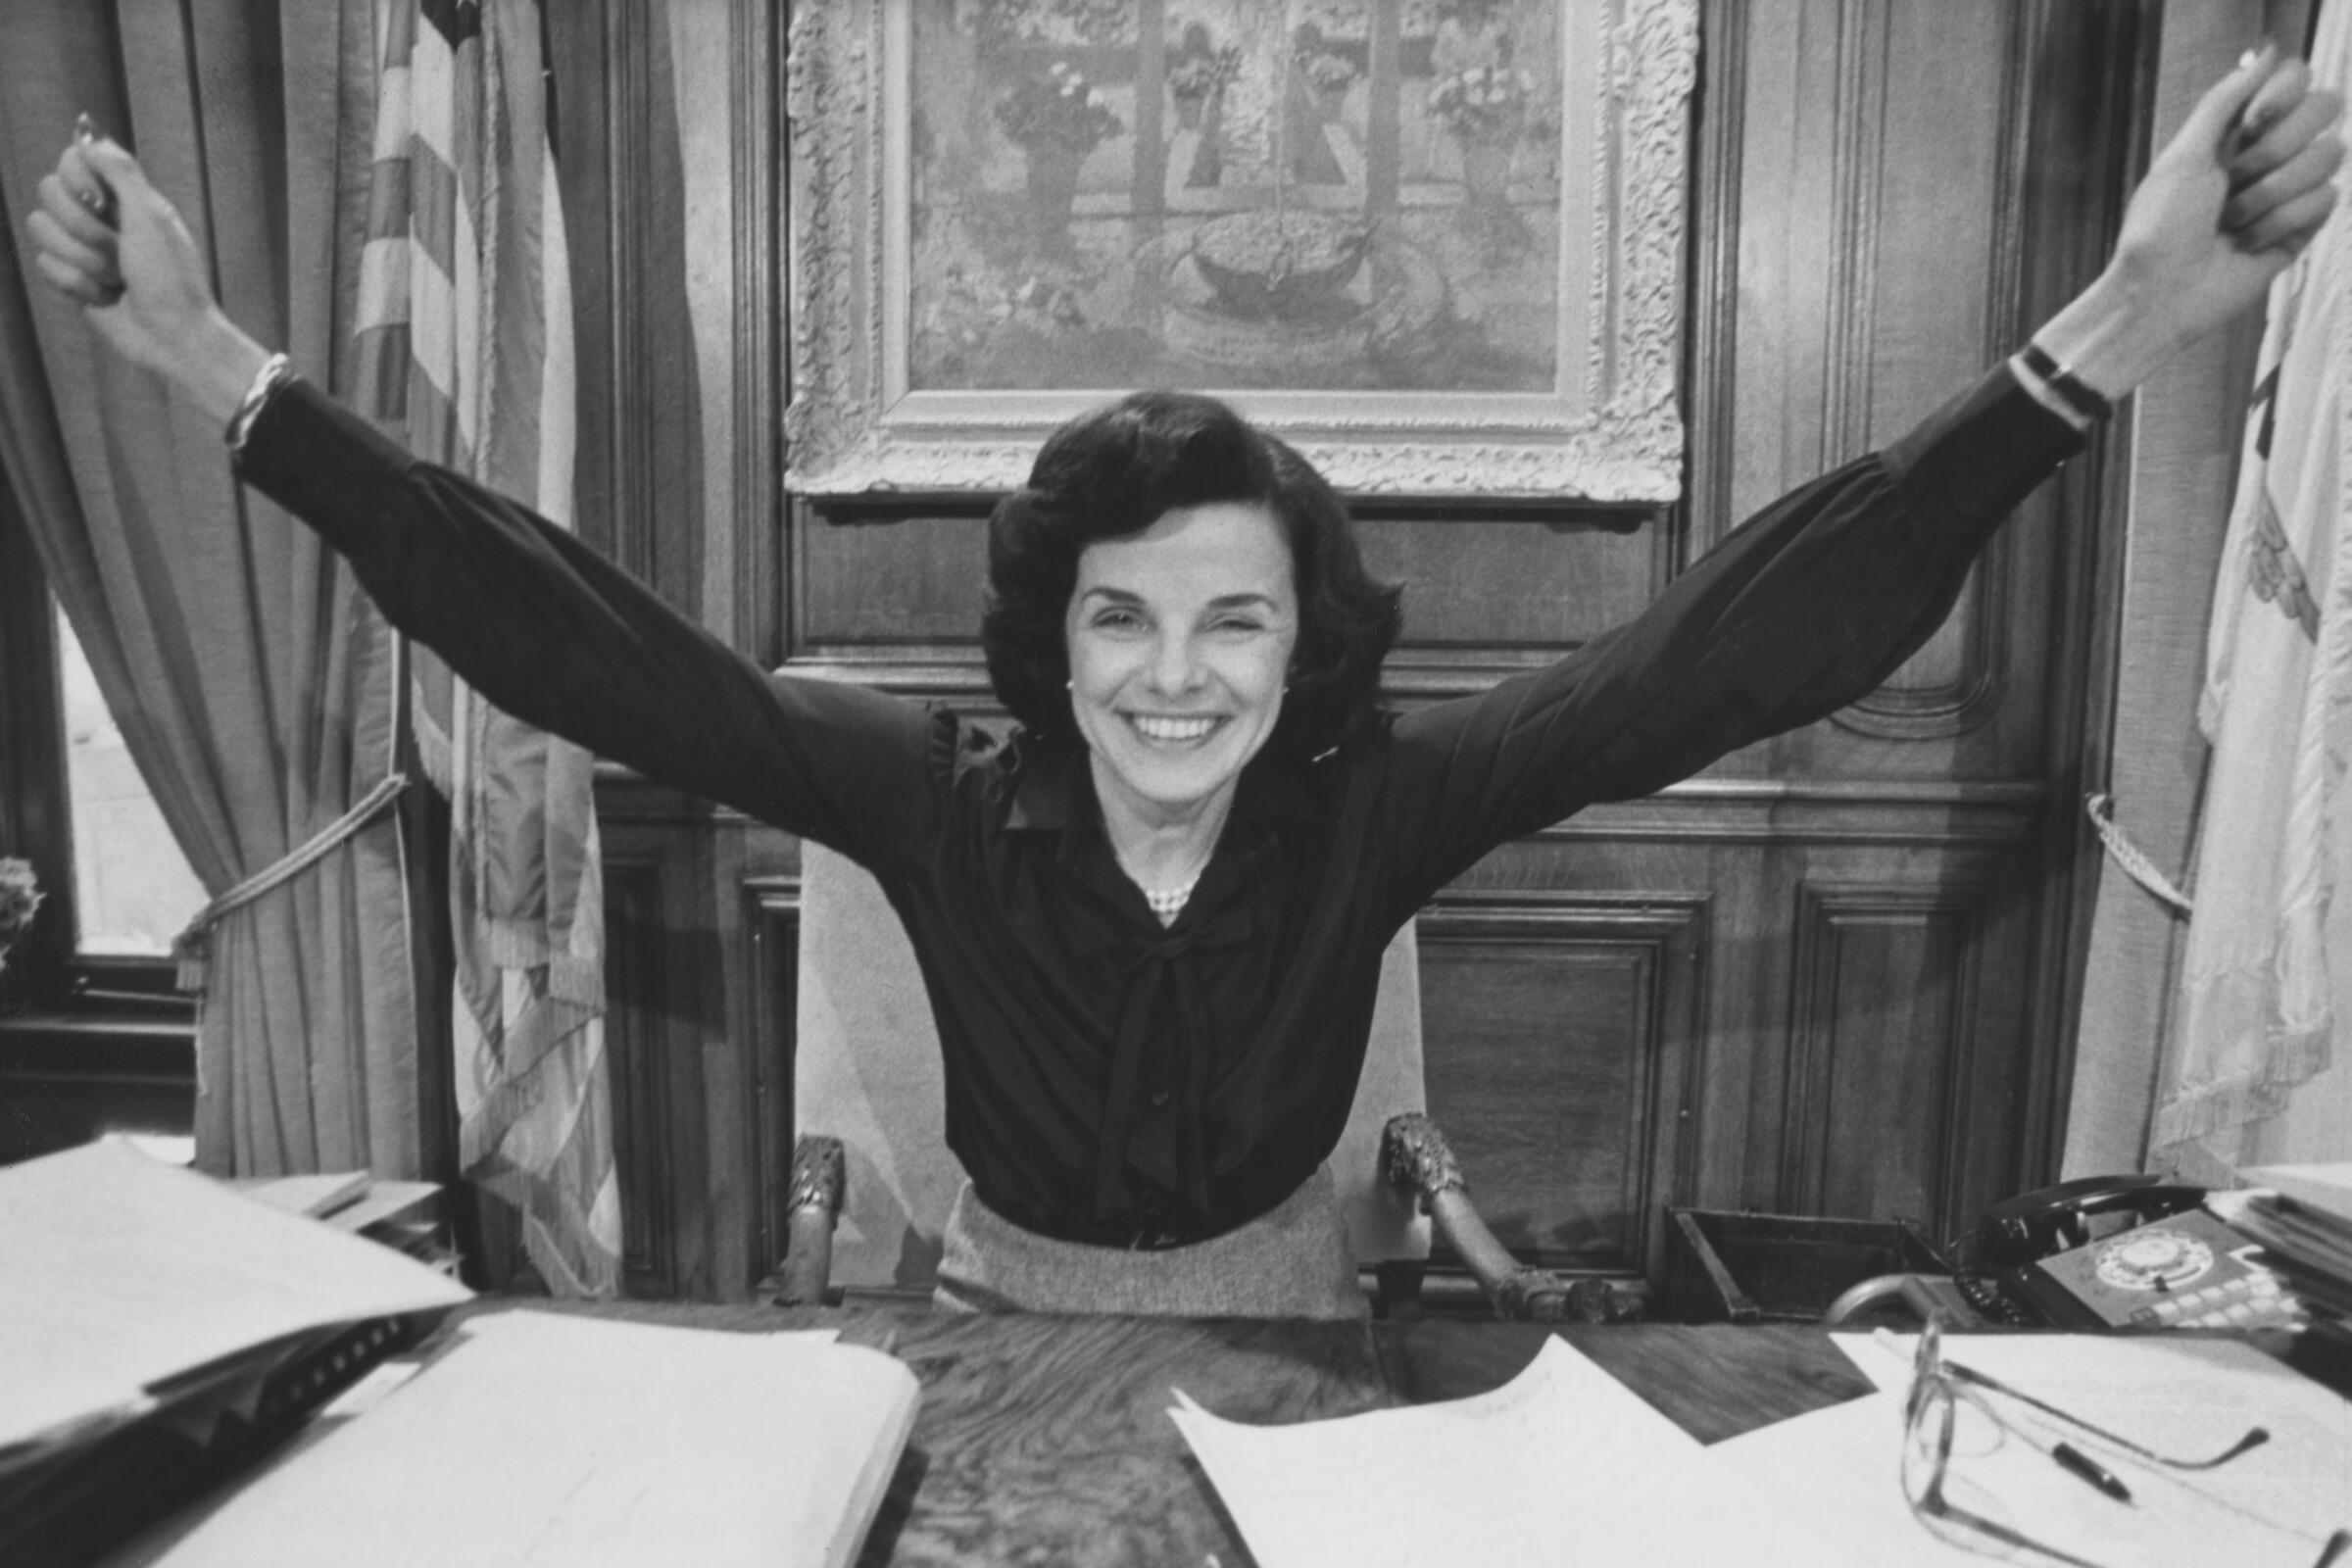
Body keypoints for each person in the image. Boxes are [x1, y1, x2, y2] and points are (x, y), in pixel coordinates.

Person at [26, 52, 2343, 1318]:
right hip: (984, 1329)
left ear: (1298, 642)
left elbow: (1728, 650)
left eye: (1232, 618)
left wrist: (2116, 336)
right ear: (1048, 642)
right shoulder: (918, 794)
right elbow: (574, 633)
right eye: (1119, 617)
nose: (1172, 676)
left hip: (1312, 1347)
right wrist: (224, 370)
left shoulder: (1383, 803)